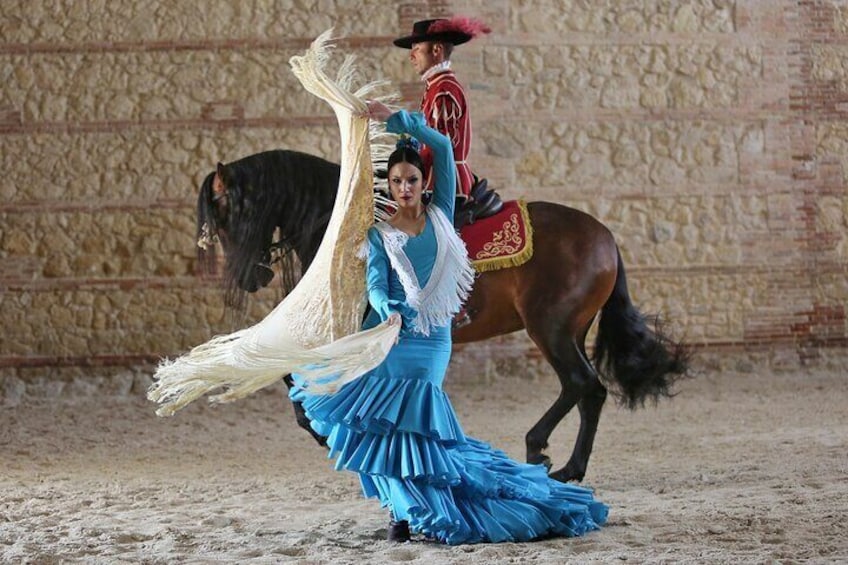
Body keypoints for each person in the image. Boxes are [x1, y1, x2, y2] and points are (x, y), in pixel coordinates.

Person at [289, 101, 608, 544]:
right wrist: (385, 309)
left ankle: (416, 508)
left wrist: (398, 120)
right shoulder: (379, 234)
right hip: (394, 336)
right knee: (383, 427)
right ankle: (399, 512)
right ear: (390, 185)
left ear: (424, 183)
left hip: (432, 340)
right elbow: (377, 282)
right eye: (397, 181)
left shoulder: (441, 213)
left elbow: (440, 146)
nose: (405, 188)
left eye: (412, 180)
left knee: (417, 423)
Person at [393, 17, 490, 202]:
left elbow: (439, 144)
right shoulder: (437, 86)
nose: (411, 56)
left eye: (417, 49)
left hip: (444, 182)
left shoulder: (443, 90)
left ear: (436, 50)